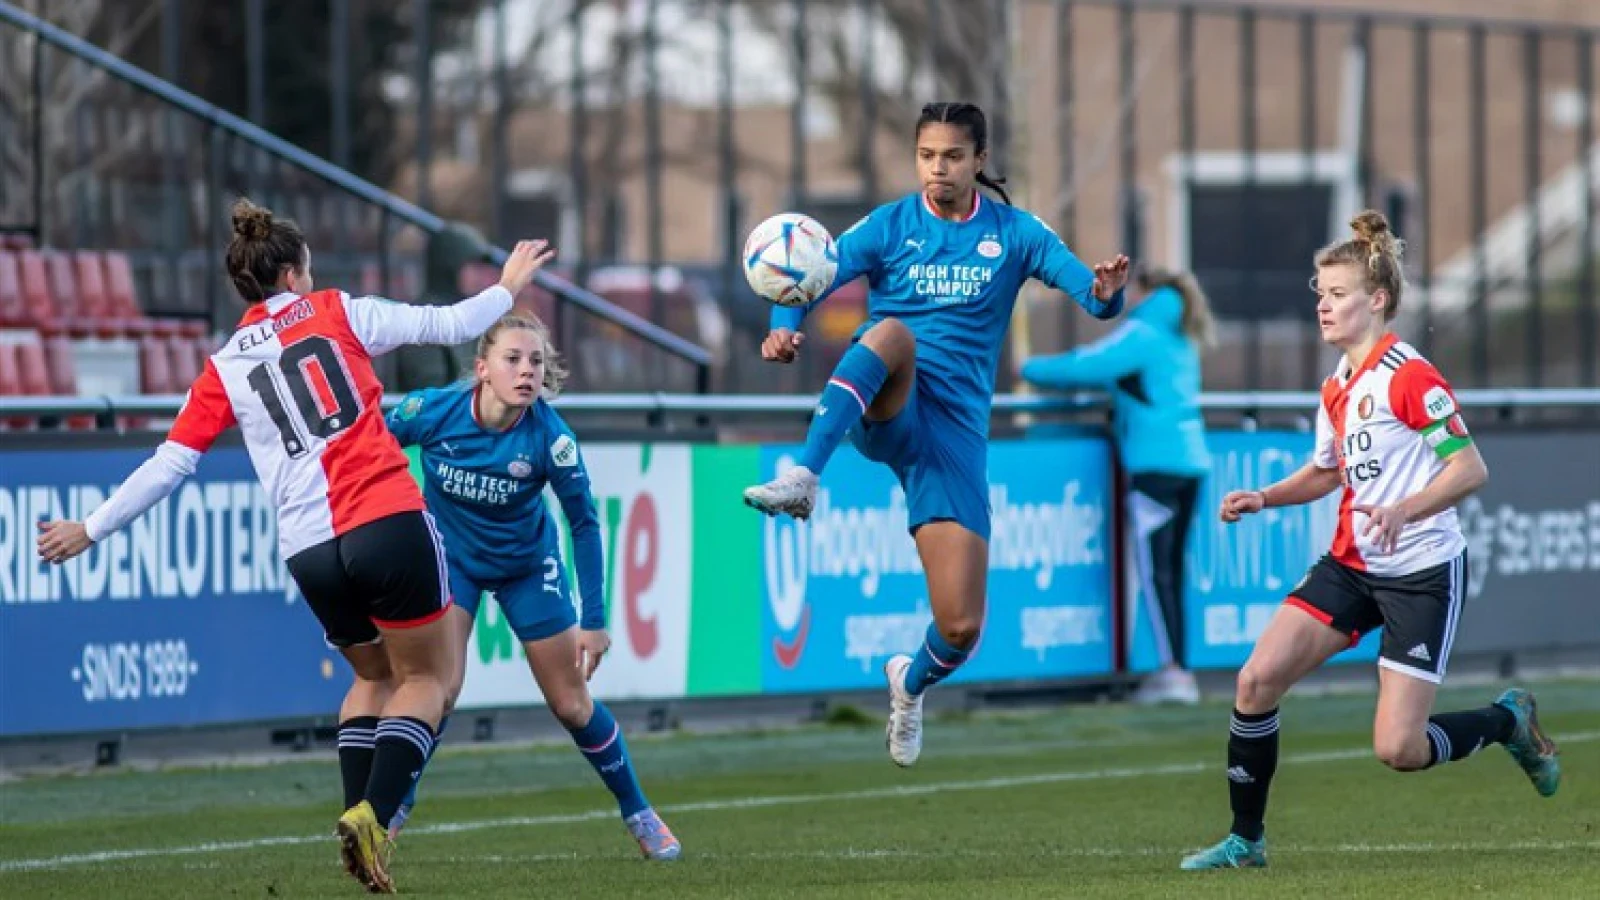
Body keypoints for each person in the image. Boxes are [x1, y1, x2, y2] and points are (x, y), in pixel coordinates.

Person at [35, 198, 555, 893]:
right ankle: (376, 815)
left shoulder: (223, 365)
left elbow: (171, 462)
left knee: (371, 678)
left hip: (311, 551)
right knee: (429, 680)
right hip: (385, 518)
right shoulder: (338, 312)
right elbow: (453, 325)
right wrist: (508, 283)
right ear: (293, 272)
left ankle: (358, 821)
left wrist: (90, 527)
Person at [742, 101, 1129, 767]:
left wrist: (1108, 290)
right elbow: (807, 270)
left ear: (980, 161)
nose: (937, 169)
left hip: (953, 435)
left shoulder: (1016, 233)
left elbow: (1093, 299)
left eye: (952, 157)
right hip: (889, 399)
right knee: (892, 332)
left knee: (961, 626)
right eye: (926, 156)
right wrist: (782, 323)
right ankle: (805, 476)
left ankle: (909, 684)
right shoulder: (891, 225)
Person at [1179, 211, 1559, 871]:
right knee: (1255, 680)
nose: (1323, 306)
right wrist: (1266, 496)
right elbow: (1329, 471)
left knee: (1399, 750)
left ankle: (1507, 722)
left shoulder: (1410, 376)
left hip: (1421, 572)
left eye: (1337, 294)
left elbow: (1469, 468)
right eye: (1320, 294)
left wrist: (1405, 510)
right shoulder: (1337, 385)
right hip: (1352, 565)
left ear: (1377, 300)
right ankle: (1247, 841)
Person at [383, 313, 681, 860]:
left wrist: (594, 620)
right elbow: (370, 446)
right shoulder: (434, 411)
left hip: (526, 566)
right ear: (481, 370)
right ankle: (393, 810)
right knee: (440, 689)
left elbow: (585, 524)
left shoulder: (552, 438)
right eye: (513, 360)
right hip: (454, 563)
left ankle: (639, 812)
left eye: (536, 361)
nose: (527, 372)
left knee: (571, 704)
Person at [1019, 266, 1215, 704]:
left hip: (1155, 467)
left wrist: (1026, 368)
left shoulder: (1142, 333)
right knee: (1171, 572)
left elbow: (1085, 366)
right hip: (1190, 461)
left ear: (1145, 291)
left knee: (1157, 572)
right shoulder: (1180, 331)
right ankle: (1177, 669)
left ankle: (1175, 674)